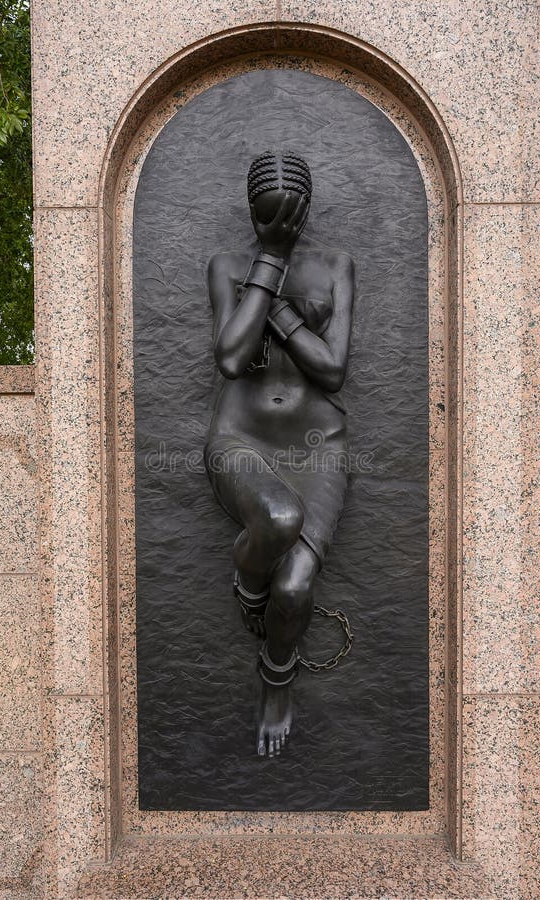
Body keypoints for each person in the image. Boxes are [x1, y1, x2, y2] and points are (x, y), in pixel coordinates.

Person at [204, 150, 355, 757]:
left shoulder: (336, 266)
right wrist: (270, 259)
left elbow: (333, 369)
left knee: (294, 589)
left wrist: (276, 306)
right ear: (253, 213)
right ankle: (247, 585)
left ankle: (276, 680)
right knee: (277, 518)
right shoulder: (226, 265)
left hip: (319, 446)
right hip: (240, 437)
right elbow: (233, 358)